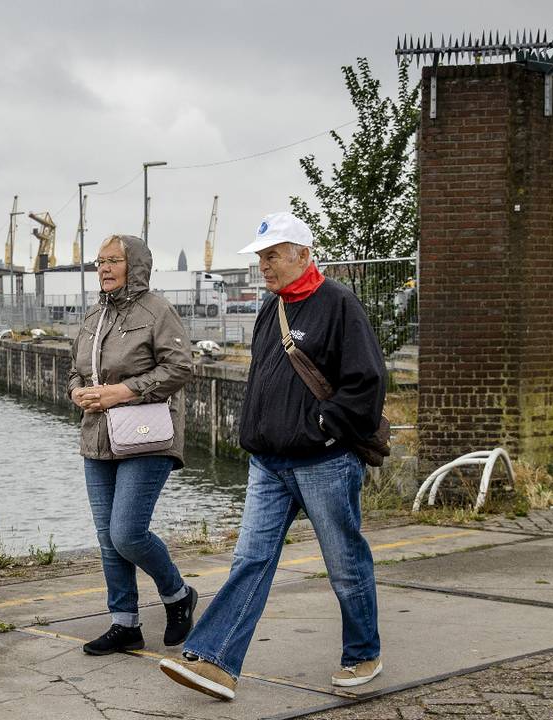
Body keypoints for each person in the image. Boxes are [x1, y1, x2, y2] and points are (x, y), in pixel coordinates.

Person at [159, 212, 386, 700]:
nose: (263, 265)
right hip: (268, 461)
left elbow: (367, 382)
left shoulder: (339, 305)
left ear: (303, 256)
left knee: (344, 562)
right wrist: (257, 432)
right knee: (250, 560)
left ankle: (363, 652)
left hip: (324, 461)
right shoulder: (272, 307)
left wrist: (325, 428)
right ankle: (216, 661)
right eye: (260, 257)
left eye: (273, 255)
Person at [67, 234, 197, 656]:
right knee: (108, 538)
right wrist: (77, 393)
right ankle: (125, 623)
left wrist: (121, 392)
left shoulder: (158, 310)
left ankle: (177, 595)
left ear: (135, 265)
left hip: (147, 439)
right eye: (99, 262)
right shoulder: (93, 317)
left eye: (113, 261)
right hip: (97, 438)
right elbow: (76, 370)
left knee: (126, 533)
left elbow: (180, 367)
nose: (103, 268)